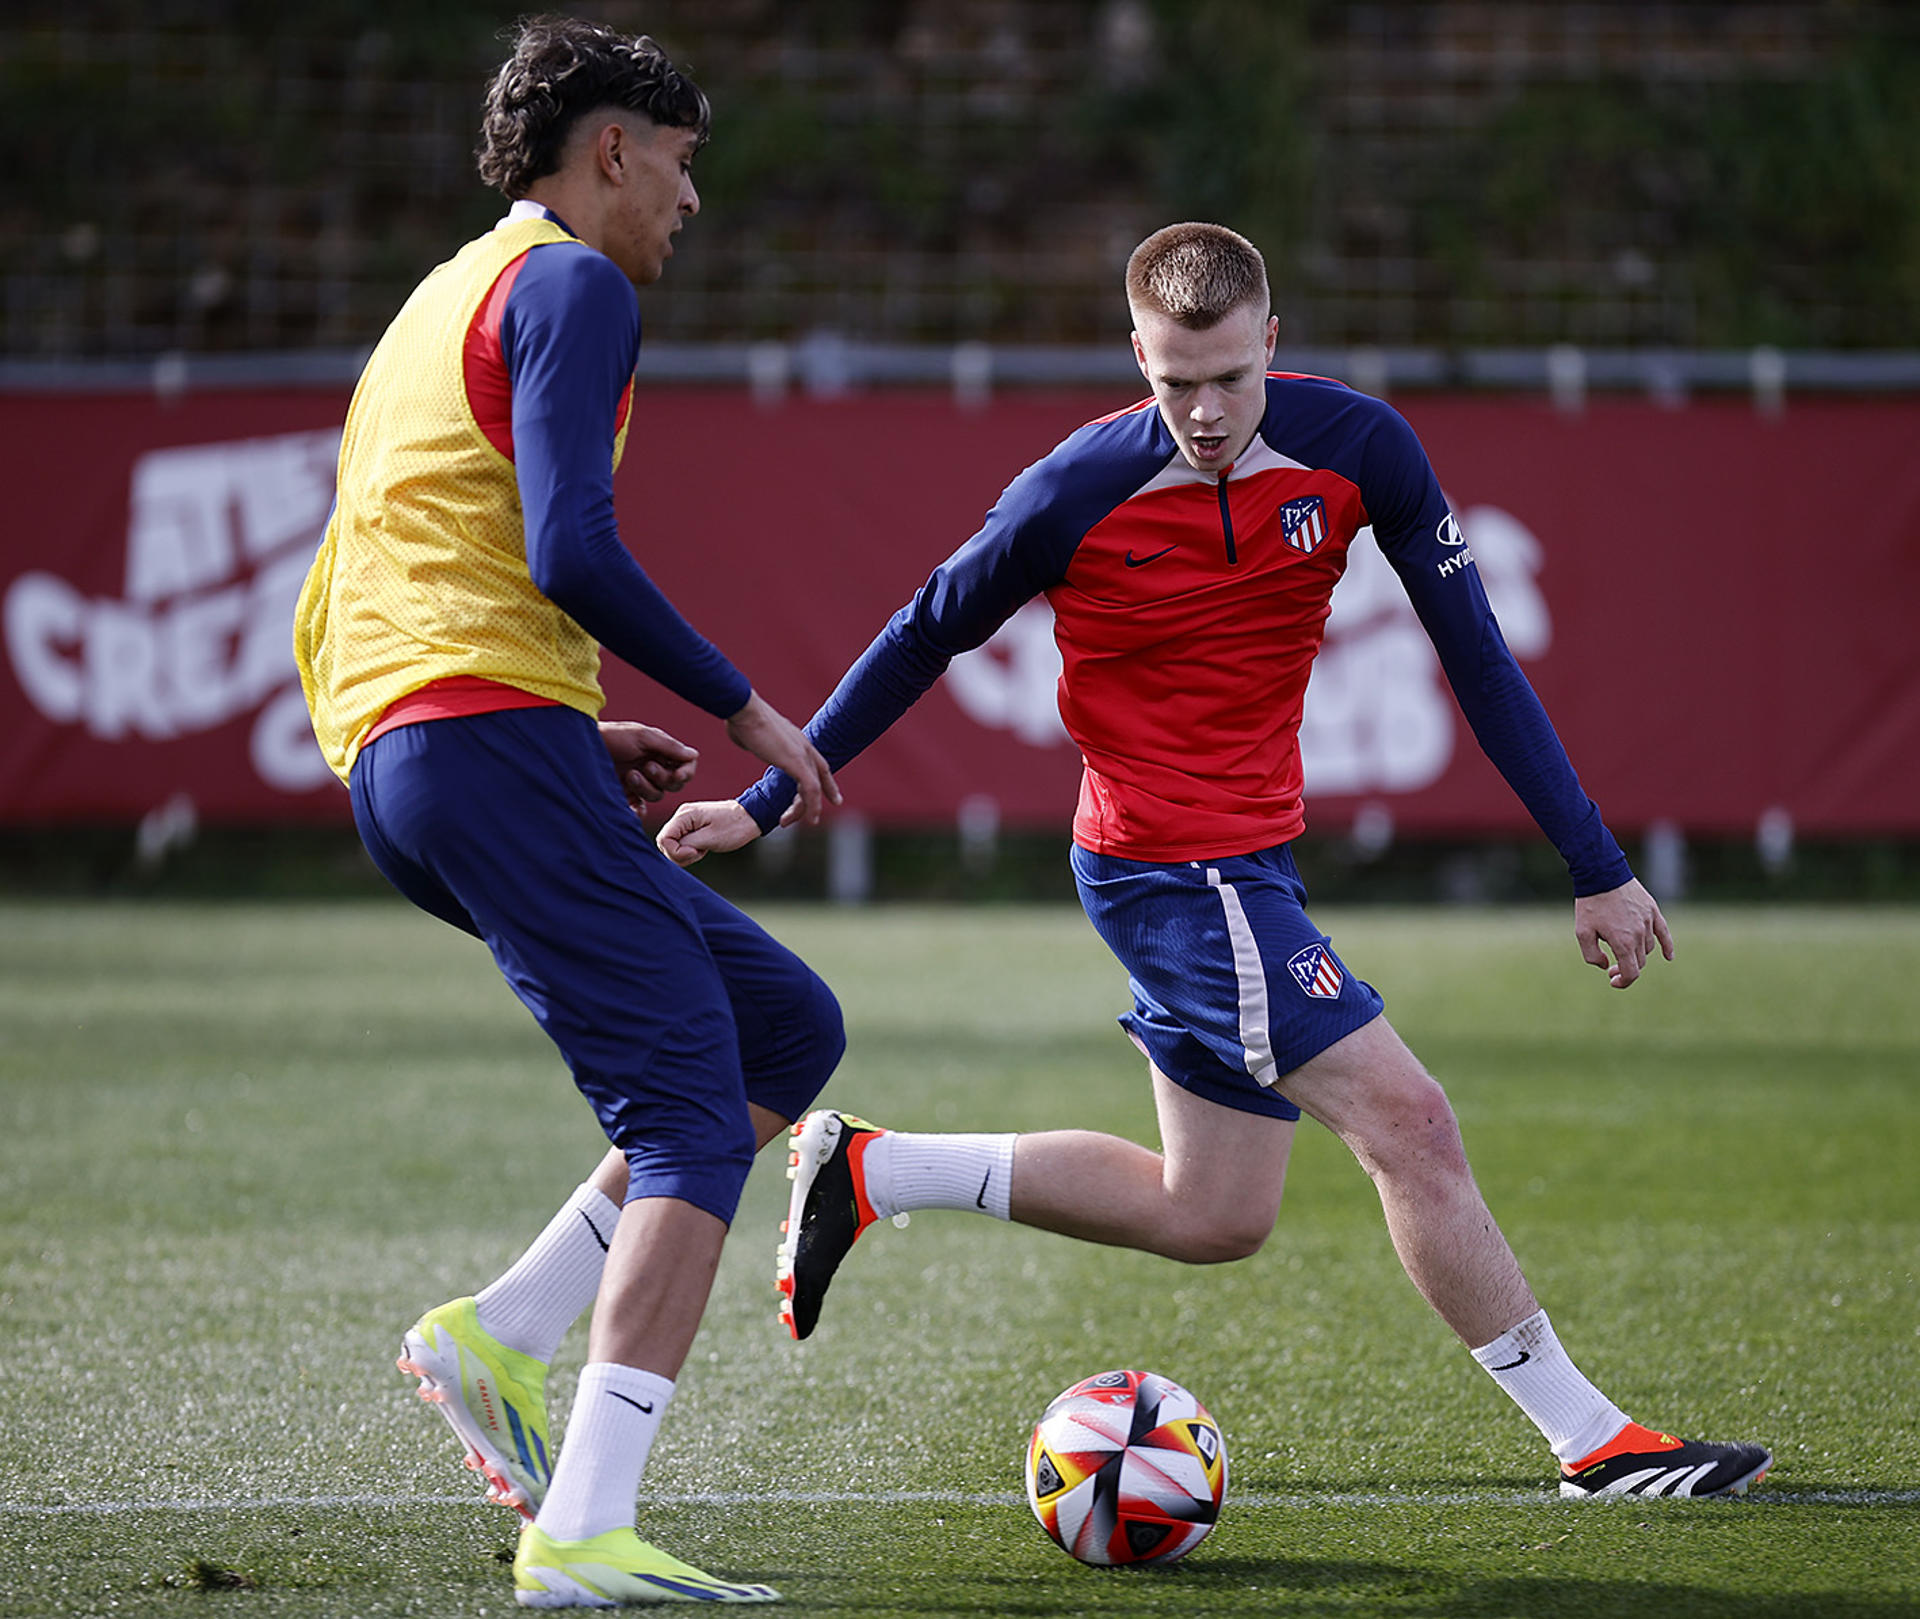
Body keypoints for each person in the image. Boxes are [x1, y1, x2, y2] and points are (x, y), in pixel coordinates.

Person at [657, 221, 1772, 1503]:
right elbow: (920, 636)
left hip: (1253, 861)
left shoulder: (1361, 450)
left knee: (1215, 1213)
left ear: (1272, 344)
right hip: (1174, 870)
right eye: (1174, 380)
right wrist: (759, 796)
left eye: (1230, 378)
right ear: (1137, 353)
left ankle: (872, 1169)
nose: (1202, 410)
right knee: (1410, 1121)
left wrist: (1595, 859)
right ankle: (1594, 1441)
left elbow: (1478, 658)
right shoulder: (1066, 493)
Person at [294, 17, 845, 1605]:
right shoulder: (576, 285)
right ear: (610, 149)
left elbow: (382, 557)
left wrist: (547, 724)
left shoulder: (440, 294)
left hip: (430, 746)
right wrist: (743, 705)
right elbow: (571, 548)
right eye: (679, 167)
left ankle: (501, 1333)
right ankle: (583, 1527)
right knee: (686, 1117)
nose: (690, 202)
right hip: (469, 741)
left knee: (781, 1030)